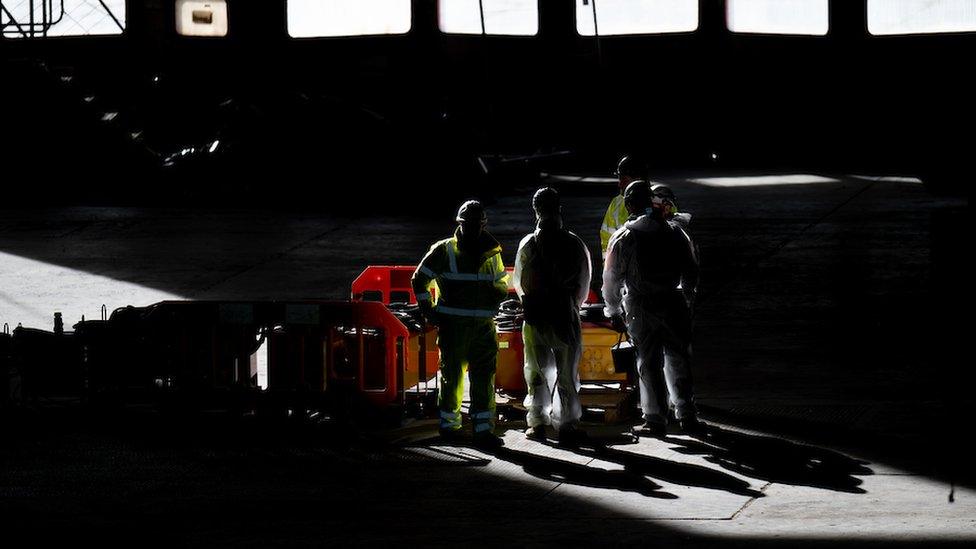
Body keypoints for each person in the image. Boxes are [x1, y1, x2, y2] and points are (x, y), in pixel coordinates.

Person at [602, 181, 702, 437]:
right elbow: (691, 271)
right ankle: (687, 414)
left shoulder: (624, 237)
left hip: (641, 305)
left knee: (648, 362)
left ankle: (655, 419)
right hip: (673, 301)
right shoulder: (675, 233)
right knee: (678, 359)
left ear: (628, 205)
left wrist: (613, 311)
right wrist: (687, 300)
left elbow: (611, 279)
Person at [412, 200, 510, 448]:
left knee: (483, 378)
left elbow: (500, 286)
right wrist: (428, 310)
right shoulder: (444, 250)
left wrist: (494, 299)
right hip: (454, 327)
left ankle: (483, 430)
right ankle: (450, 427)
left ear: (483, 224)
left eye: (477, 224)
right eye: (469, 224)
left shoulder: (492, 252)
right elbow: (419, 280)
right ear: (460, 224)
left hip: (482, 328)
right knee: (453, 378)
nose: (474, 229)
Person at [512, 187, 592, 445]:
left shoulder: (529, 244)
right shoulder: (573, 243)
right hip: (563, 312)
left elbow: (519, 283)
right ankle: (567, 424)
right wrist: (570, 305)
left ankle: (538, 423)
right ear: (560, 209)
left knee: (536, 370)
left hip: (536, 315)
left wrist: (534, 302)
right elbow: (583, 282)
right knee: (566, 372)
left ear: (535, 210)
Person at [600, 155, 645, 259]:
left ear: (638, 179)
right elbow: (606, 240)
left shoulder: (662, 202)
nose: (619, 184)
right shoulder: (616, 203)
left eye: (623, 179)